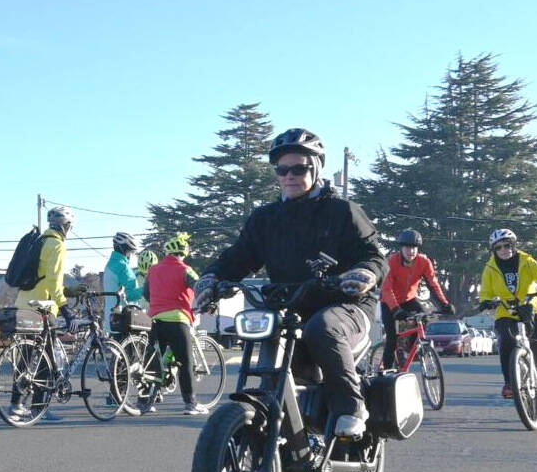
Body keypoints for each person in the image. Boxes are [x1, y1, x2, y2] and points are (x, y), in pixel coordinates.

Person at [194, 128, 385, 438]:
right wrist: (212, 277)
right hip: (291, 306)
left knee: (322, 327)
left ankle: (351, 406)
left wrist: (365, 273)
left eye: (299, 168)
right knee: (267, 335)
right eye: (282, 170)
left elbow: (374, 255)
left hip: (346, 305)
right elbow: (239, 257)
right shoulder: (265, 218)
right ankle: (280, 428)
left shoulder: (342, 212)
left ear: (316, 168)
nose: (289, 176)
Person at [11, 205, 77, 421]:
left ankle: (19, 404)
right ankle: (35, 407)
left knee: (30, 357)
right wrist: (65, 307)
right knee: (45, 358)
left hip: (23, 302)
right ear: (65, 227)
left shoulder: (40, 241)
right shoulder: (57, 245)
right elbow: (53, 281)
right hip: (42, 307)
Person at [479, 228, 537, 398]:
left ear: (514, 245)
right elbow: (486, 292)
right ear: (494, 250)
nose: (503, 250)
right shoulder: (490, 268)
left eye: (507, 245)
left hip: (531, 307)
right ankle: (509, 383)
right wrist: (486, 301)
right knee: (505, 343)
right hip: (506, 311)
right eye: (498, 247)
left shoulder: (526, 260)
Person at [142, 232, 208, 415]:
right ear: (183, 254)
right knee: (185, 362)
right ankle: (191, 404)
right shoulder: (185, 269)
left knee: (153, 363)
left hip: (155, 321)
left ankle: (145, 400)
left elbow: (146, 294)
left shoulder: (152, 270)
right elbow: (200, 288)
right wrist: (208, 303)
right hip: (178, 320)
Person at [380, 229, 453, 369]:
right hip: (389, 302)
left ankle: (408, 350)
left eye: (414, 247)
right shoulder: (391, 262)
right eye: (407, 247)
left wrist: (444, 304)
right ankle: (386, 373)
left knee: (423, 317)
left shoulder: (424, 262)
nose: (411, 251)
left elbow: (433, 285)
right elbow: (387, 289)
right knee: (392, 339)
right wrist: (396, 310)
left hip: (409, 299)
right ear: (401, 248)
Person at [102, 232, 143, 330]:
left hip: (110, 318)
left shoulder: (109, 265)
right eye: (131, 252)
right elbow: (131, 295)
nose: (131, 255)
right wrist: (148, 287)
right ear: (125, 250)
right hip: (123, 319)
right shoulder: (123, 267)